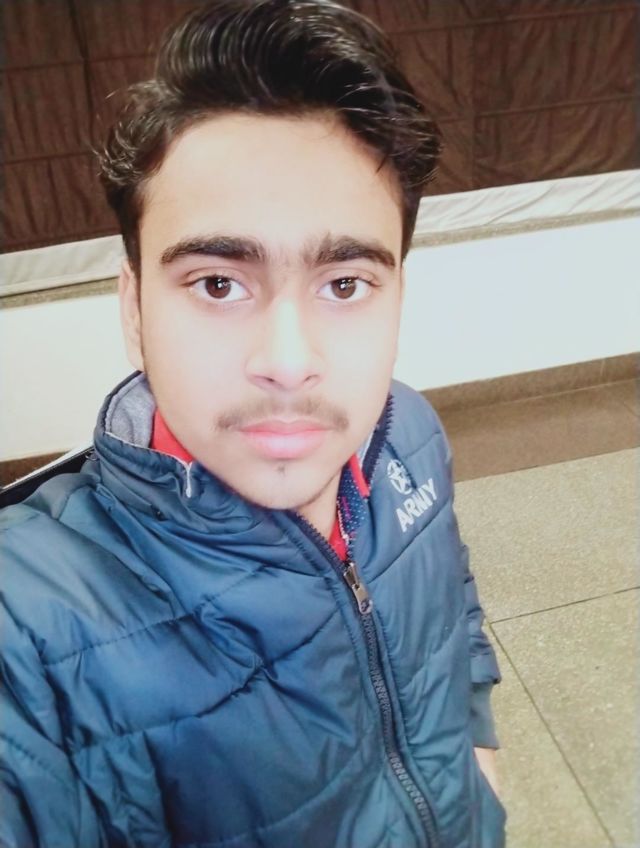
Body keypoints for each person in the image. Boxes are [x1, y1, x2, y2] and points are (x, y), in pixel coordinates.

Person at [0, 1, 506, 846]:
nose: (288, 361)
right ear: (133, 307)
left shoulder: (410, 434)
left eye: (344, 284)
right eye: (218, 283)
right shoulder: (25, 630)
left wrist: (479, 750)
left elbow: (450, 603)